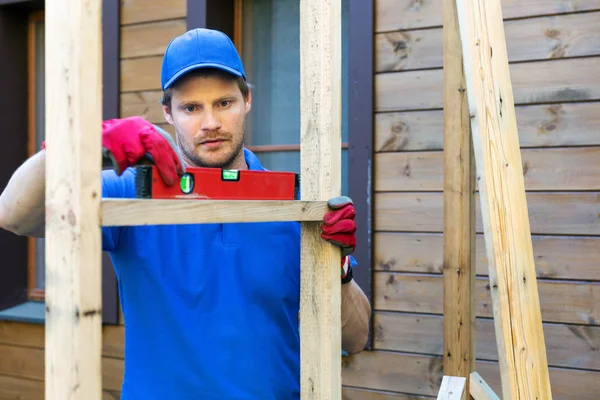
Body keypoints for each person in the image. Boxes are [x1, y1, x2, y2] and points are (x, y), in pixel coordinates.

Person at [0, 28, 371, 399]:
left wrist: (337, 269)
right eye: (191, 108)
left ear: (247, 100)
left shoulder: (293, 203)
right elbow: (14, 214)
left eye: (224, 103)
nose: (210, 123)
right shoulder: (133, 191)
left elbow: (356, 337)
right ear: (168, 113)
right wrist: (80, 144)